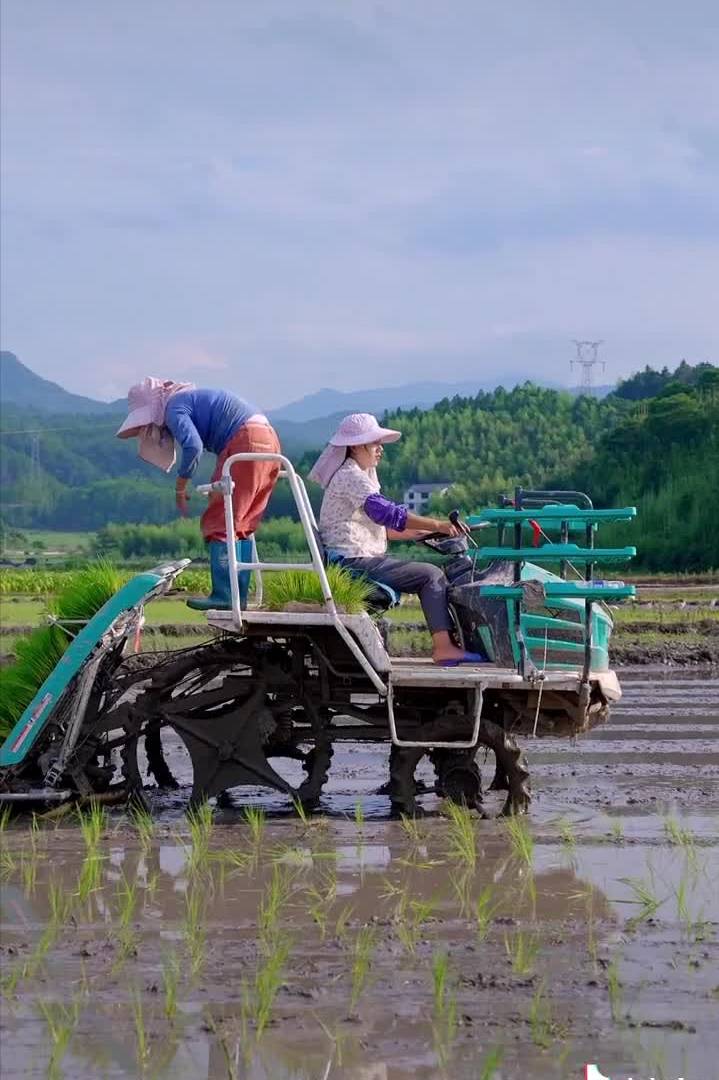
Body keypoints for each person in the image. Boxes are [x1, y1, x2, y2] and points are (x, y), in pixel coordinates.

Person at [310, 413, 486, 665]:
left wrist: (426, 533)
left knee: (429, 573)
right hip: (351, 562)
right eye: (374, 443)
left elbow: (380, 528)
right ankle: (444, 647)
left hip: (353, 557)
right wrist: (438, 524)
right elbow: (388, 514)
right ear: (356, 446)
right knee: (431, 576)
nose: (380, 449)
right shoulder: (350, 476)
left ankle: (451, 644)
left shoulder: (356, 475)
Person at [116, 377, 281, 610]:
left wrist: (181, 485)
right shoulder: (188, 400)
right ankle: (238, 597)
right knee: (241, 526)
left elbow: (193, 446)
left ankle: (225, 596)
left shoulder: (174, 408)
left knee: (221, 522)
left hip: (245, 440)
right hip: (269, 438)